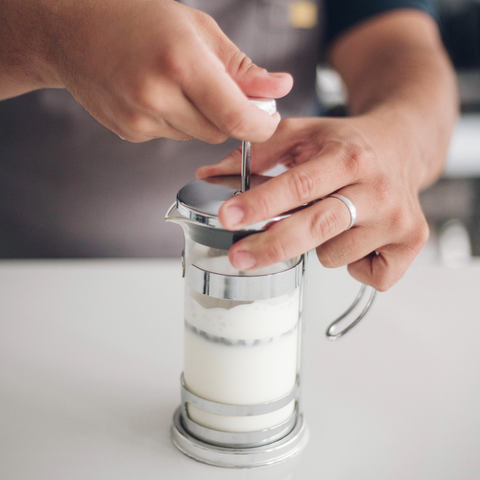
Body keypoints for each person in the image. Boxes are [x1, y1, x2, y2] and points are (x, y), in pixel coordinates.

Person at [0, 0, 458, 291]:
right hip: (28, 281)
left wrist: (395, 139)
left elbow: (403, 50)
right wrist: (54, 34)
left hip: (275, 275)